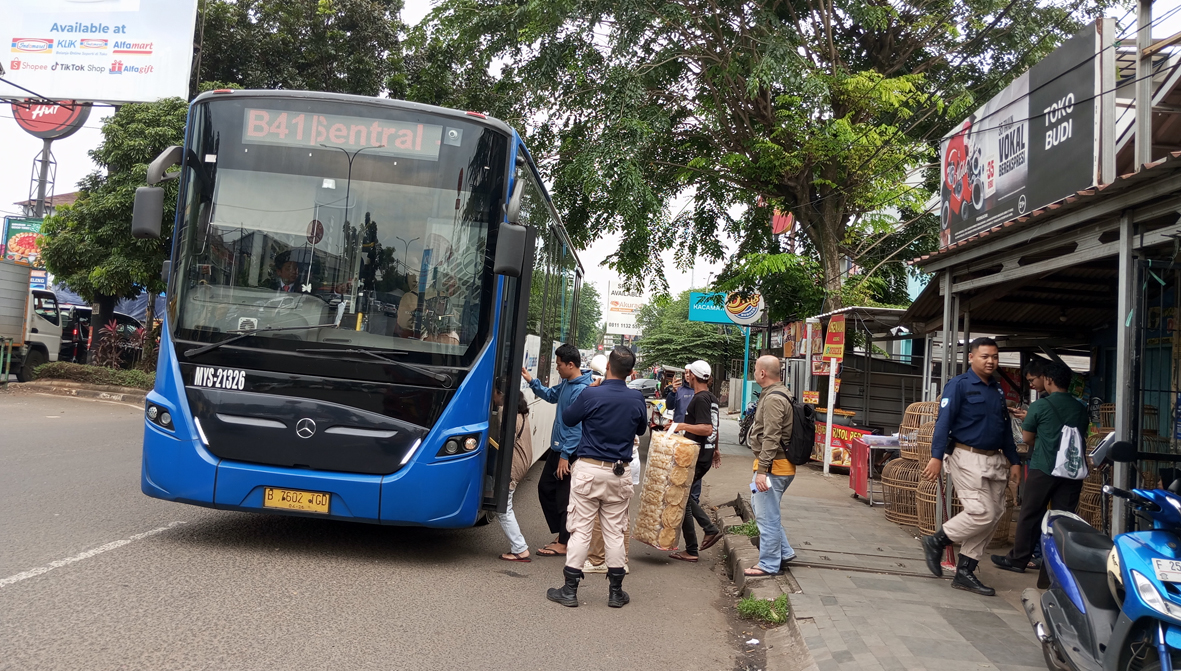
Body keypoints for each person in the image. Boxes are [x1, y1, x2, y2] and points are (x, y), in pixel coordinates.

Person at [546, 346, 648, 608]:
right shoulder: (636, 398)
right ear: (631, 373)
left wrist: (590, 391)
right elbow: (640, 429)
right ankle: (615, 593)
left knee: (580, 530)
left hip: (589, 470)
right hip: (619, 472)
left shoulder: (591, 393)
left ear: (608, 367)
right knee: (614, 532)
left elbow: (569, 418)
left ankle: (570, 590)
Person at [921, 337, 1021, 596]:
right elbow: (943, 422)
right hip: (966, 456)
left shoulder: (997, 389)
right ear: (971, 357)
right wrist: (936, 456)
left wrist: (1015, 461)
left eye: (994, 357)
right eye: (985, 356)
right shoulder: (959, 385)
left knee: (994, 514)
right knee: (981, 512)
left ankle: (965, 571)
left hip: (995, 459)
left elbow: (1005, 428)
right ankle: (936, 540)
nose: (990, 361)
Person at [992, 361, 1089, 573]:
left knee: (1031, 514)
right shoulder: (1081, 408)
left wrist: (1045, 441)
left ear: (1049, 379)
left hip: (1043, 467)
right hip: (1072, 471)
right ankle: (1056, 565)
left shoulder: (1040, 405)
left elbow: (1027, 438)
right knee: (1063, 518)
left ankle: (1018, 559)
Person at [523, 343, 592, 558]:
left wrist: (565, 456)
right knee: (545, 488)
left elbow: (576, 428)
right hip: (558, 447)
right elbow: (551, 395)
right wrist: (532, 382)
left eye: (559, 364)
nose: (557, 367)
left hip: (568, 452)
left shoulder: (580, 390)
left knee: (564, 498)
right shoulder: (566, 383)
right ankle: (563, 534)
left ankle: (564, 541)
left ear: (571, 365)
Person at [743, 355, 798, 577]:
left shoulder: (774, 399)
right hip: (772, 466)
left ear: (762, 373)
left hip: (773, 468)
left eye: (756, 369)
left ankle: (768, 564)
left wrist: (762, 471)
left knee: (767, 517)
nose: (754, 372)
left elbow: (771, 437)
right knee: (760, 506)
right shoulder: (778, 393)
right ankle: (784, 552)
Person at [669, 360, 723, 562]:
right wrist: (715, 448)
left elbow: (707, 428)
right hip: (705, 453)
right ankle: (694, 545)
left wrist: (681, 425)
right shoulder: (711, 398)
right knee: (684, 497)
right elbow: (714, 427)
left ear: (692, 375)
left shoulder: (699, 399)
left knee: (681, 497)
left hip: (697, 456)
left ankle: (705, 533)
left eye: (689, 373)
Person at [492, 382, 533, 562]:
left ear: (500, 393)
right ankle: (519, 547)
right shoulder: (521, 412)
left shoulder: (505, 413)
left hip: (512, 467)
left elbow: (503, 443)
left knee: (504, 509)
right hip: (522, 464)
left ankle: (520, 548)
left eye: (493, 392)